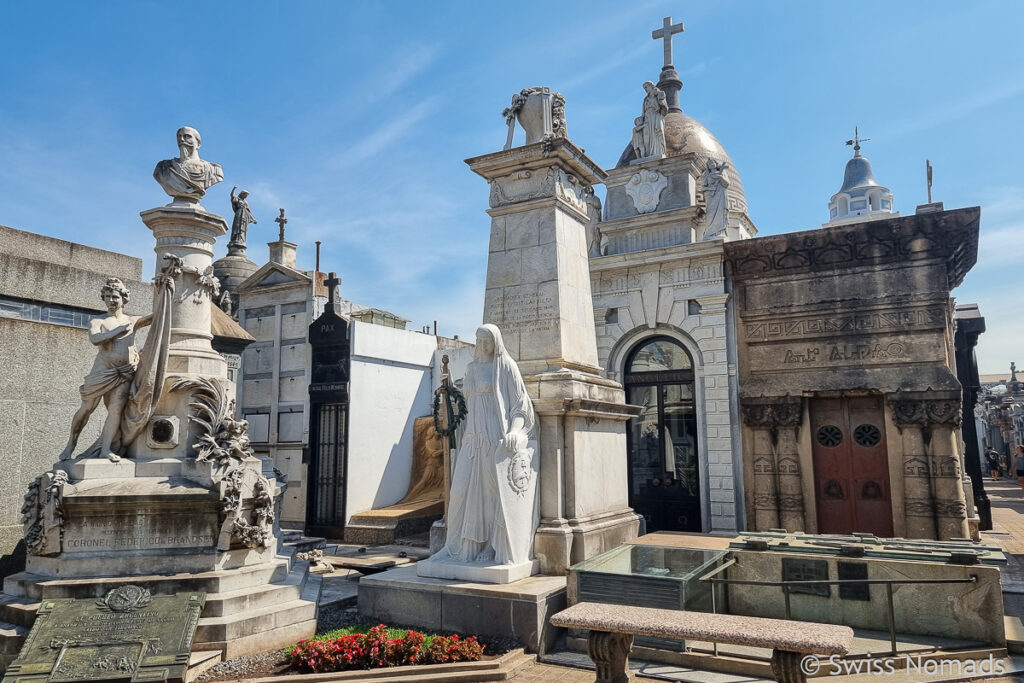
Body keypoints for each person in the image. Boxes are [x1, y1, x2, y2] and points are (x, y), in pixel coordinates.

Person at [436, 324, 538, 566]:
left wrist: (515, 431)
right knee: (460, 492)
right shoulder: (471, 369)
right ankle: (459, 545)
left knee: (493, 493)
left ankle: (492, 546)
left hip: (495, 435)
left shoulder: (505, 367)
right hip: (473, 438)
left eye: (487, 341)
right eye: (479, 340)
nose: (482, 346)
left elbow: (520, 405)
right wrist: (449, 391)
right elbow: (465, 404)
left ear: (496, 343)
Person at [59, 279, 152, 462]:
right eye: (107, 296)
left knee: (116, 410)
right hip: (102, 372)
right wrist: (117, 331)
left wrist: (166, 290)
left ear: (123, 299)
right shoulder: (98, 320)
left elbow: (154, 317)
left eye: (115, 296)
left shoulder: (132, 321)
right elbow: (95, 339)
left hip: (124, 372)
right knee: (86, 409)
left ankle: (106, 449)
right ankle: (70, 444)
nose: (111, 300)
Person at [153, 126, 224, 201]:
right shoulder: (164, 168)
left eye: (187, 136)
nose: (182, 139)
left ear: (198, 144)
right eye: (179, 137)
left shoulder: (213, 170)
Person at [640, 81, 668, 159]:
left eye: (646, 87)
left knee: (658, 132)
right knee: (647, 135)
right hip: (648, 118)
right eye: (644, 88)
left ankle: (658, 151)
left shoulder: (659, 94)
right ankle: (648, 153)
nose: (645, 89)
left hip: (656, 116)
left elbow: (664, 106)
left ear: (651, 86)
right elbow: (643, 111)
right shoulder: (646, 99)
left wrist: (659, 104)